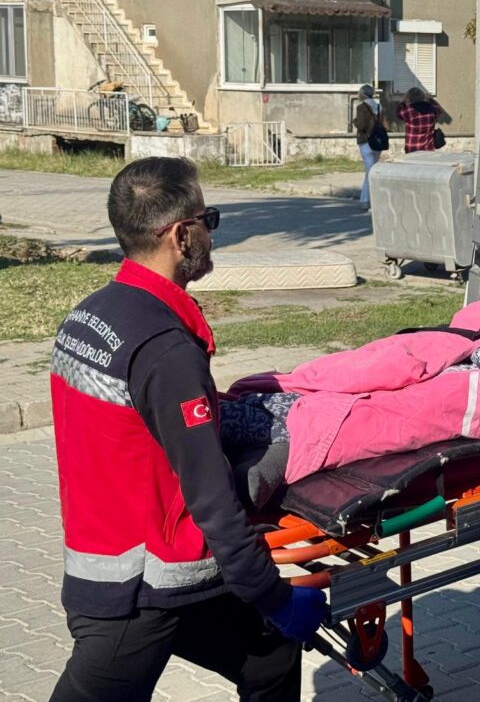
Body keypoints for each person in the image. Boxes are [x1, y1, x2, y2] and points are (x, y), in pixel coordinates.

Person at [48, 157, 326, 702]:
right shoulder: (166, 351)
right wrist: (274, 598)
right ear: (180, 236)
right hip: (139, 595)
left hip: (131, 562)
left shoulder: (90, 316)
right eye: (208, 220)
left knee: (271, 655)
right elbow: (210, 497)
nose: (211, 233)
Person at [354, 83, 383, 210]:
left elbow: (361, 125)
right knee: (372, 169)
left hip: (366, 141)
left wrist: (354, 121)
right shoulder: (379, 106)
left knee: (369, 172)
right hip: (378, 141)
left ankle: (366, 200)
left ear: (363, 94)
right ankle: (368, 198)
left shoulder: (361, 107)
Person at [396, 86, 439, 154]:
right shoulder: (432, 109)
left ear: (410, 98)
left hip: (412, 147)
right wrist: (431, 99)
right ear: (422, 97)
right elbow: (438, 111)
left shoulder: (408, 111)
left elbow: (398, 113)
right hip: (428, 147)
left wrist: (403, 102)